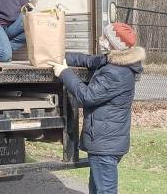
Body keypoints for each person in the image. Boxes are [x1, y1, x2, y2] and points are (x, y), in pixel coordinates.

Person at [48, 22, 145, 194]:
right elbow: (89, 60)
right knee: (96, 188)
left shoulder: (115, 72)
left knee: (105, 191)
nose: (100, 39)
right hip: (107, 141)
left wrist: (64, 72)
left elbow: (87, 96)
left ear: (113, 44)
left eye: (104, 37)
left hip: (105, 144)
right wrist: (61, 57)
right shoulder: (116, 61)